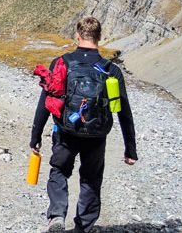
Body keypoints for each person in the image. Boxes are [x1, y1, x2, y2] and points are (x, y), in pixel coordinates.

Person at [30, 16, 137, 233]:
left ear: (77, 36)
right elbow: (123, 111)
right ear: (99, 37)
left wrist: (36, 136)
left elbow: (45, 102)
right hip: (96, 135)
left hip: (66, 131)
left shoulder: (62, 63)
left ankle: (57, 216)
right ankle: (83, 228)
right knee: (91, 179)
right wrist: (130, 149)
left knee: (59, 170)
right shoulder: (111, 70)